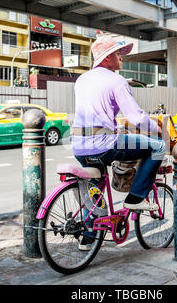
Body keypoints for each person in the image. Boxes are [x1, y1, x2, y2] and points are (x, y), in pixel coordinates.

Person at [71, 35, 166, 250]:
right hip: (103, 144)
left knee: (93, 189)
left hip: (79, 144)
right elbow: (136, 117)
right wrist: (157, 127)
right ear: (106, 59)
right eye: (117, 54)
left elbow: (98, 112)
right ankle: (136, 197)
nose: (121, 58)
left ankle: (88, 238)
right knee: (158, 147)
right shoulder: (117, 81)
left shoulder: (82, 80)